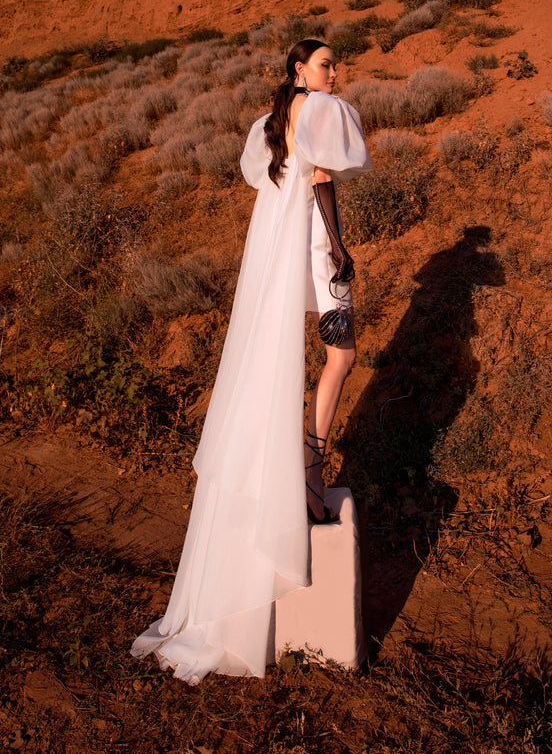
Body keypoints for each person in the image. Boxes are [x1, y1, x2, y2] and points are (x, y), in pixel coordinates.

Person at [130, 38, 372, 684]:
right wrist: (341, 246)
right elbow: (323, 180)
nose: (334, 72)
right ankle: (312, 470)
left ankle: (304, 469)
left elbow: (268, 176)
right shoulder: (320, 109)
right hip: (320, 254)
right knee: (341, 355)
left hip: (279, 253)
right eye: (325, 63)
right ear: (300, 69)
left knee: (297, 360)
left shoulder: (266, 122)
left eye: (333, 64)